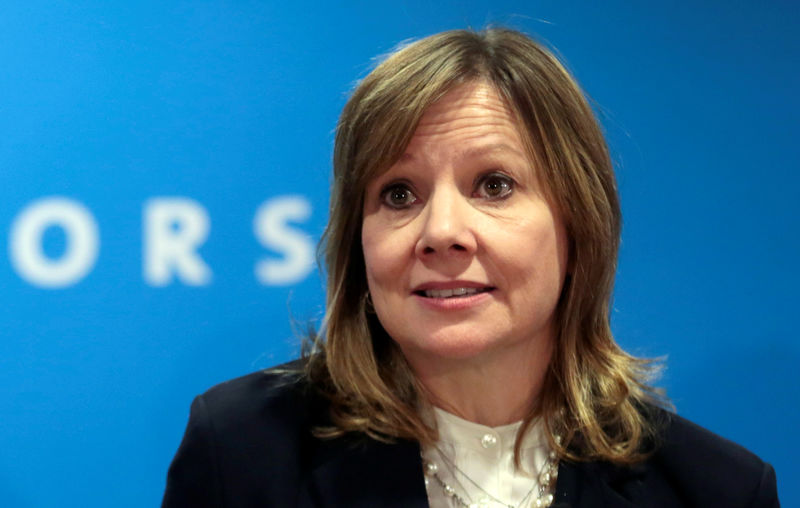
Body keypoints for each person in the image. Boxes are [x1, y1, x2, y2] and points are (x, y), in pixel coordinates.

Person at [162, 28, 779, 508]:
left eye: (494, 185)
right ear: (358, 240)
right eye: (398, 194)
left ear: (577, 223)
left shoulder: (716, 490)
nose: (442, 234)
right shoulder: (242, 452)